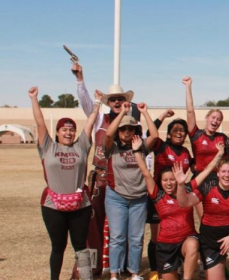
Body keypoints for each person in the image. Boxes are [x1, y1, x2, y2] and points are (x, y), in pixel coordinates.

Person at [73, 62, 141, 276]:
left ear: (125, 101)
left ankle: (126, 269)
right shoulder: (99, 118)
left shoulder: (133, 122)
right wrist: (80, 80)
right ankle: (93, 269)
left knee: (127, 229)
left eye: (120, 98)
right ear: (108, 102)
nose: (117, 102)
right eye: (113, 99)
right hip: (101, 179)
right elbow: (85, 103)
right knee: (93, 225)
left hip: (125, 182)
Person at [31, 86, 99, 280]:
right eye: (64, 130)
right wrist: (34, 99)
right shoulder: (48, 147)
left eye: (71, 130)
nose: (68, 133)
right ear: (58, 132)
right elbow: (40, 123)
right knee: (58, 246)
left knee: (81, 246)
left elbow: (90, 124)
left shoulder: (81, 146)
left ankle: (86, 277)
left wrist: (97, 103)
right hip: (53, 206)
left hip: (80, 205)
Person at [175, 145, 229, 280]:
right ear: (218, 173)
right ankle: (221, 268)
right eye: (224, 171)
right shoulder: (208, 186)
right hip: (211, 242)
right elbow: (184, 203)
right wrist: (180, 185)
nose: (227, 175)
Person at [104, 102, 159, 280]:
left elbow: (155, 135)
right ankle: (114, 274)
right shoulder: (112, 147)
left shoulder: (141, 145)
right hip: (116, 197)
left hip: (139, 197)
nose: (127, 132)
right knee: (118, 237)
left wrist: (145, 112)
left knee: (136, 238)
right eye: (123, 129)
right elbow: (109, 133)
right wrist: (123, 113)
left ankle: (134, 272)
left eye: (130, 128)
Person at [133, 136, 200, 280]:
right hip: (166, 245)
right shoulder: (157, 195)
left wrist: (219, 156)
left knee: (193, 244)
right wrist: (137, 150)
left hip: (185, 240)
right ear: (160, 182)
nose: (169, 183)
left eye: (172, 180)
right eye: (165, 180)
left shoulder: (186, 190)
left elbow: (204, 175)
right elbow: (145, 172)